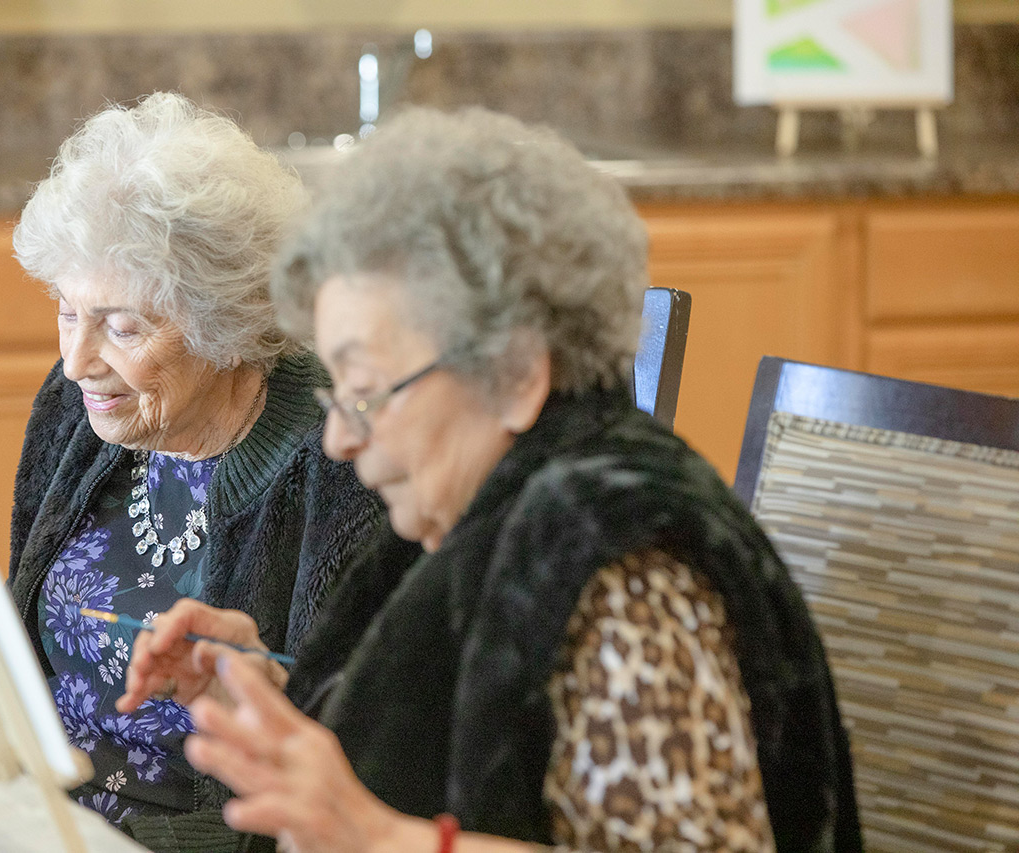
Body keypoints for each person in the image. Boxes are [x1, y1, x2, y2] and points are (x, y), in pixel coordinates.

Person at [117, 107, 864, 853]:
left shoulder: (625, 566)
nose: (340, 438)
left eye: (368, 392)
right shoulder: (470, 508)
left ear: (515, 375)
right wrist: (266, 698)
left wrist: (380, 838)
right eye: (335, 396)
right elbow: (432, 731)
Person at [0, 92, 385, 846]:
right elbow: (20, 679)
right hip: (34, 817)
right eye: (65, 308)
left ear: (227, 323)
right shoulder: (81, 414)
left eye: (122, 326)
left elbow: (353, 775)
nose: (77, 360)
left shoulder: (344, 472)